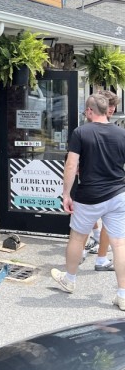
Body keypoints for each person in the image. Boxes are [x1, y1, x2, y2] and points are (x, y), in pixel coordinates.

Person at [51, 93, 125, 311]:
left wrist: (66, 194)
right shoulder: (121, 133)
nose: (85, 113)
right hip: (118, 194)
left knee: (77, 239)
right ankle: (123, 295)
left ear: (91, 111)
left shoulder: (80, 132)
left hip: (89, 196)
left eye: (86, 110)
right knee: (120, 244)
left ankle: (70, 280)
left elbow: (71, 166)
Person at [82, 89, 120, 270]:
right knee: (84, 218)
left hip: (109, 183)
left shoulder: (115, 129)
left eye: (114, 106)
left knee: (105, 220)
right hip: (88, 179)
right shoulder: (85, 126)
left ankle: (100, 256)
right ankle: (88, 244)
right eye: (109, 105)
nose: (112, 109)